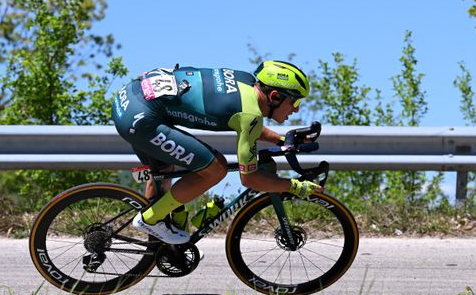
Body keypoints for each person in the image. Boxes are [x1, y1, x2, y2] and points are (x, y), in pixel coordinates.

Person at [112, 60, 323, 244]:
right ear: (275, 96)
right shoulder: (250, 114)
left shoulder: (247, 82)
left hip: (131, 98)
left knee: (165, 171)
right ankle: (150, 219)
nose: (296, 109)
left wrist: (281, 139)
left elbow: (247, 123)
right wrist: (293, 186)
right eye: (294, 101)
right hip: (141, 119)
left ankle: (159, 247)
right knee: (216, 168)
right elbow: (250, 178)